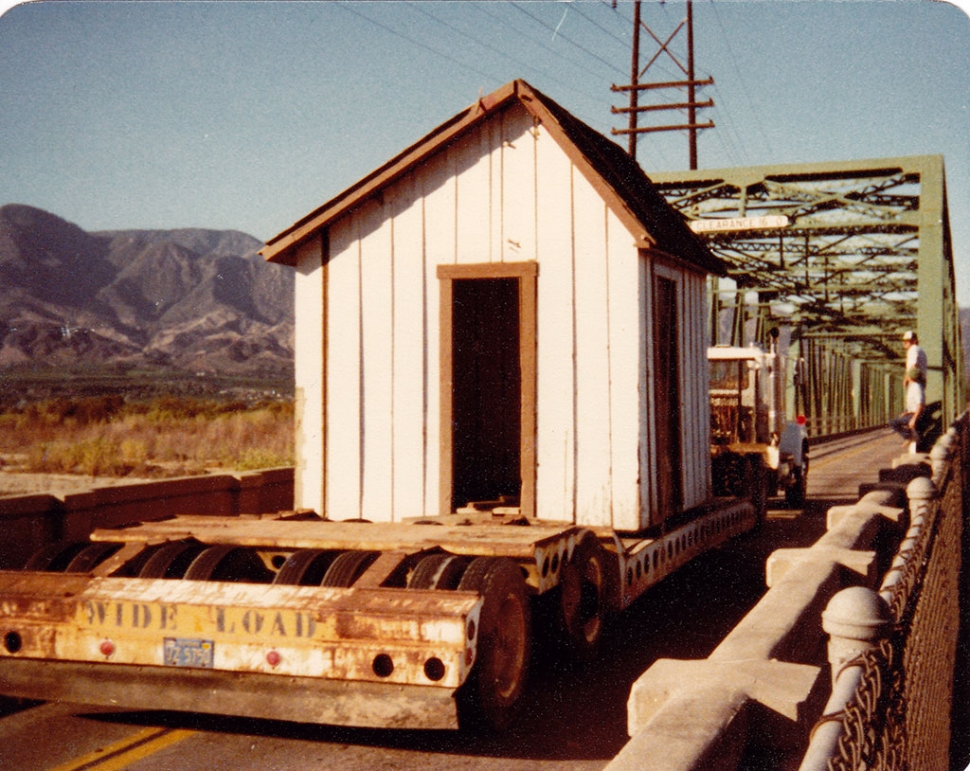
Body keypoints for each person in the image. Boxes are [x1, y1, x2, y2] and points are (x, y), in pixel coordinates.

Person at [890, 330, 927, 449]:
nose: (906, 343)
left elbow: (914, 365)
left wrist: (907, 377)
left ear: (914, 341)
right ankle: (912, 436)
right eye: (905, 341)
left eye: (908, 341)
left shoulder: (913, 349)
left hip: (916, 379)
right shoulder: (920, 350)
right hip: (920, 380)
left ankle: (910, 437)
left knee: (895, 422)